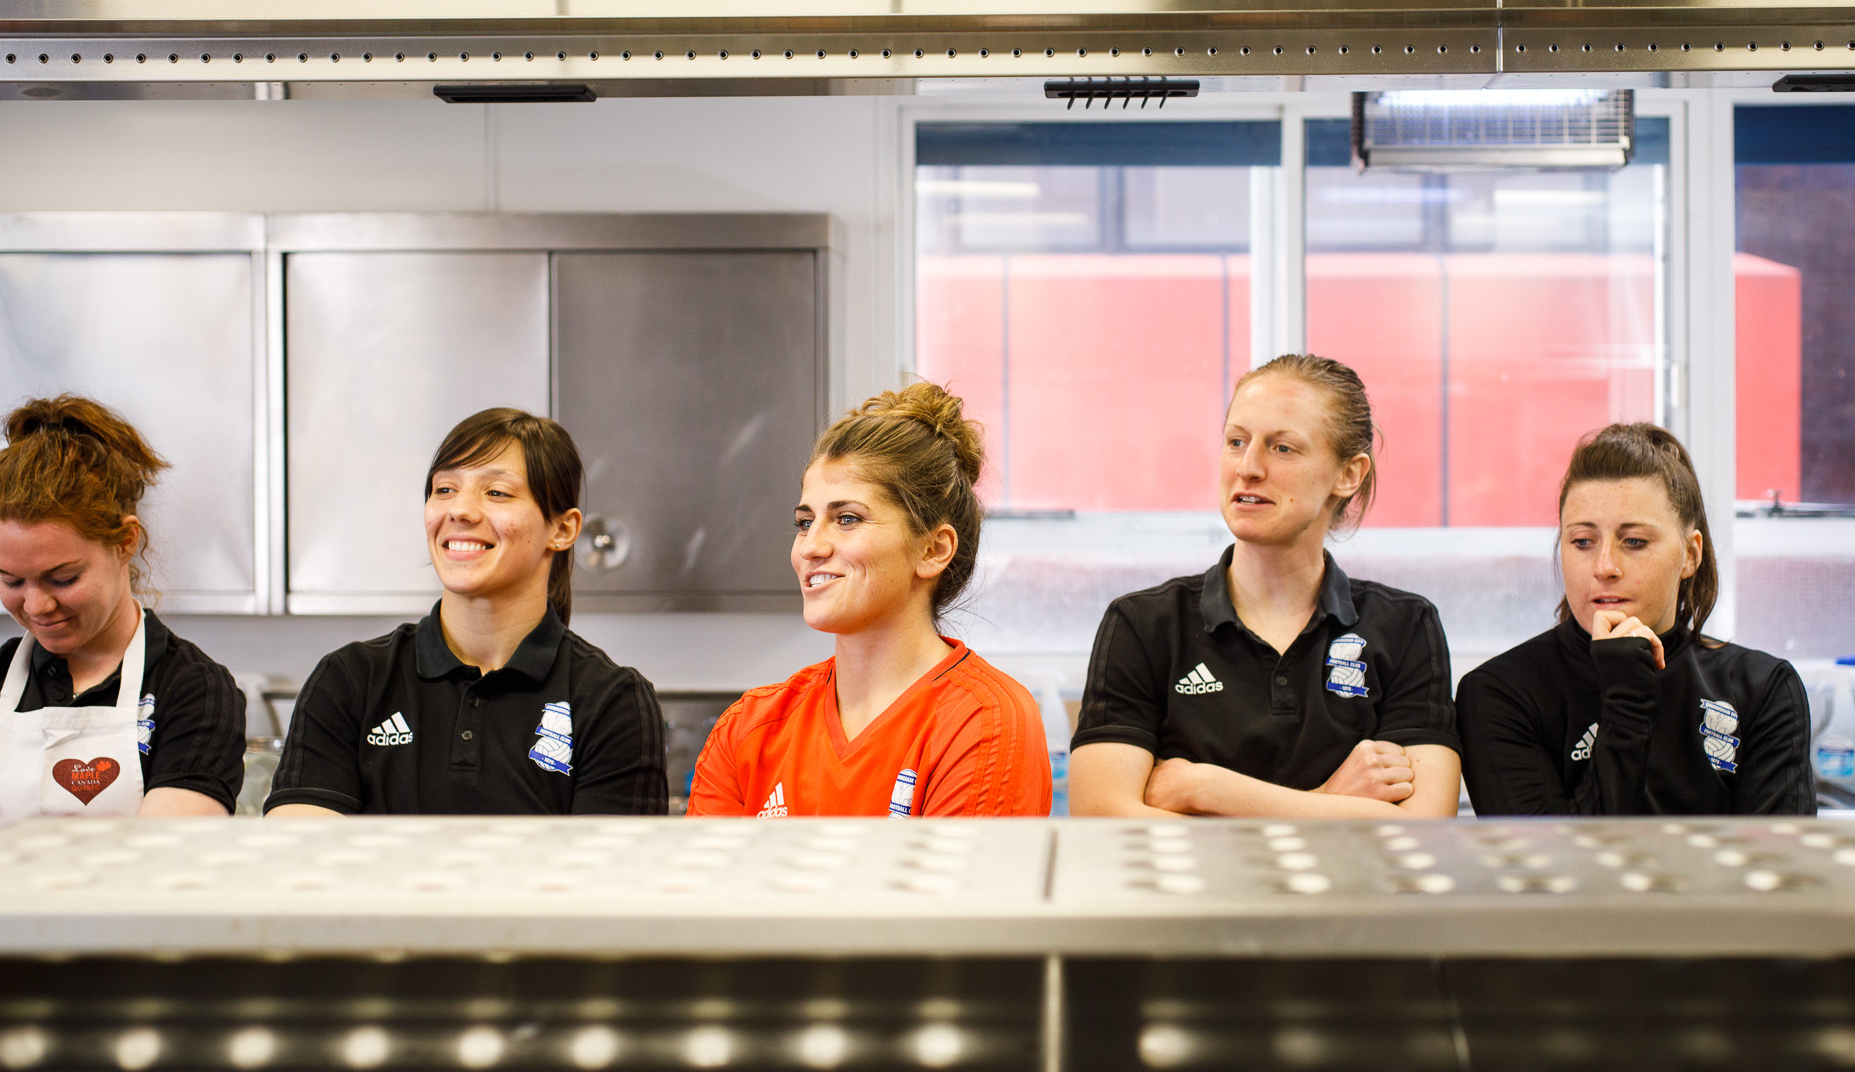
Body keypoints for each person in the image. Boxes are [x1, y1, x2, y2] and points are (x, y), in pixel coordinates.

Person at [1069, 354, 1461, 819]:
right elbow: (1102, 818)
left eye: (1283, 448)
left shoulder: (1404, 625)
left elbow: (1427, 829)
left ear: (1348, 474)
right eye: (1236, 441)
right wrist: (1329, 804)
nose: (1248, 467)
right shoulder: (1143, 624)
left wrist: (1206, 788)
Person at [265, 409, 666, 816]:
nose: (460, 510)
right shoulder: (351, 680)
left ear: (562, 530)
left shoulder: (611, 701)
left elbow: (609, 874)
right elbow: (302, 858)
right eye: (444, 490)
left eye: (496, 493)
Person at [687, 382, 1050, 818]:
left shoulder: (982, 721)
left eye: (846, 519)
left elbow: (954, 887)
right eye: (805, 522)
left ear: (933, 550)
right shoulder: (750, 728)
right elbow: (704, 885)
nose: (809, 547)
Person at [1457, 422, 1815, 816]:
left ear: (1690, 555)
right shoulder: (1500, 693)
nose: (1605, 566)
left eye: (1634, 542)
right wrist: (1627, 701)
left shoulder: (1763, 689)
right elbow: (1554, 867)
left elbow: (1777, 866)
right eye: (1582, 542)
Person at [0, 395, 244, 822]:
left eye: (63, 578)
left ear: (124, 542)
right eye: (11, 580)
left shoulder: (191, 690)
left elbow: (166, 863)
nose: (37, 605)